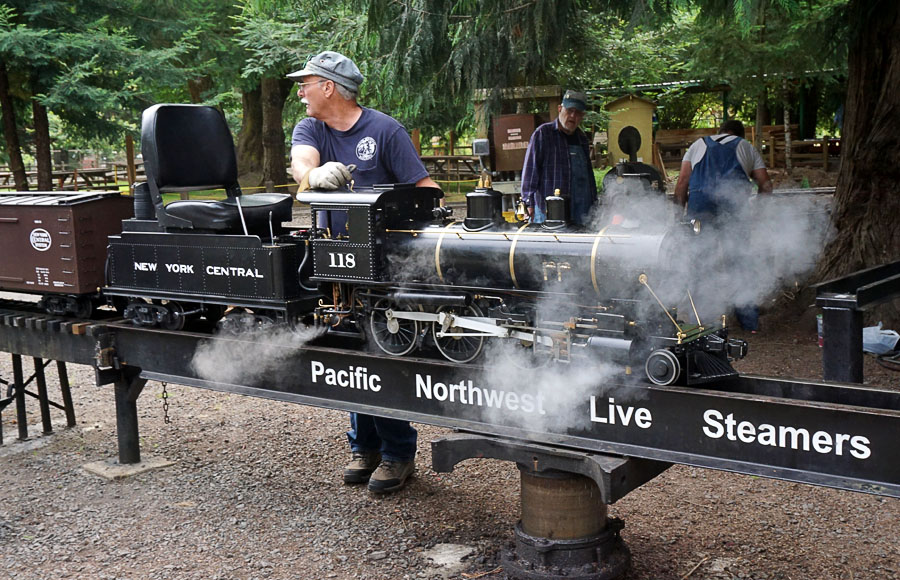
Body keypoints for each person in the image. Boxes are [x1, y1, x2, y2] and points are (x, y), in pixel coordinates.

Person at [288, 50, 440, 494]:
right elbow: (301, 163)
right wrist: (313, 177)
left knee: (380, 353)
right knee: (348, 352)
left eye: (307, 83)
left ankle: (397, 453)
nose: (300, 91)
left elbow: (421, 185)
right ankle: (363, 446)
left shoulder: (385, 129)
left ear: (330, 87)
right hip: (334, 261)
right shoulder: (310, 127)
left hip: (384, 264)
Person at [673, 119, 773, 332]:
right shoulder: (746, 147)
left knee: (700, 261)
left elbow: (682, 182)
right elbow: (765, 183)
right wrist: (759, 210)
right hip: (734, 207)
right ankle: (749, 322)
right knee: (740, 262)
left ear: (719, 132)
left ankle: (700, 321)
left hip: (701, 206)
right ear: (739, 134)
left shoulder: (697, 145)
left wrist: (677, 215)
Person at [521, 90, 598, 226]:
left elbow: (589, 178)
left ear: (582, 116)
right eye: (570, 110)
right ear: (560, 109)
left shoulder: (582, 139)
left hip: (581, 213)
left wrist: (595, 205)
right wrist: (528, 202)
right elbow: (530, 171)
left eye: (578, 113)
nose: (573, 116)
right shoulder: (543, 134)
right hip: (549, 211)